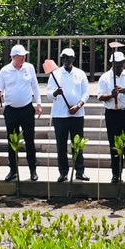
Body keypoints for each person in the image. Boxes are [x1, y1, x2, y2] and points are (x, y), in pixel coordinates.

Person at [0, 44, 41, 182]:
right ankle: (13, 170)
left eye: (24, 56)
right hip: (11, 109)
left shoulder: (29, 68)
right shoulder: (5, 71)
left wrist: (38, 103)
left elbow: (35, 86)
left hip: (27, 108)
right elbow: (0, 90)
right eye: (20, 56)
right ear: (13, 57)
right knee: (12, 141)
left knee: (29, 140)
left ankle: (33, 170)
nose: (23, 58)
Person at [47, 47, 90, 182]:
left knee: (77, 144)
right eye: (64, 58)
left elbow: (86, 93)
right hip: (60, 114)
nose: (66, 60)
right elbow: (48, 94)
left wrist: (78, 106)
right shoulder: (55, 74)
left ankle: (79, 171)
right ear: (62, 59)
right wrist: (55, 93)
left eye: (69, 58)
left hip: (77, 114)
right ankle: (63, 172)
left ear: (73, 59)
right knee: (61, 144)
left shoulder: (80, 73)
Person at [98, 50, 125, 185]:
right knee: (114, 145)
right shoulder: (105, 77)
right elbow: (100, 96)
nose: (120, 67)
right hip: (112, 114)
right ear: (112, 64)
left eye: (122, 64)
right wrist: (111, 95)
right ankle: (116, 174)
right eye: (117, 64)